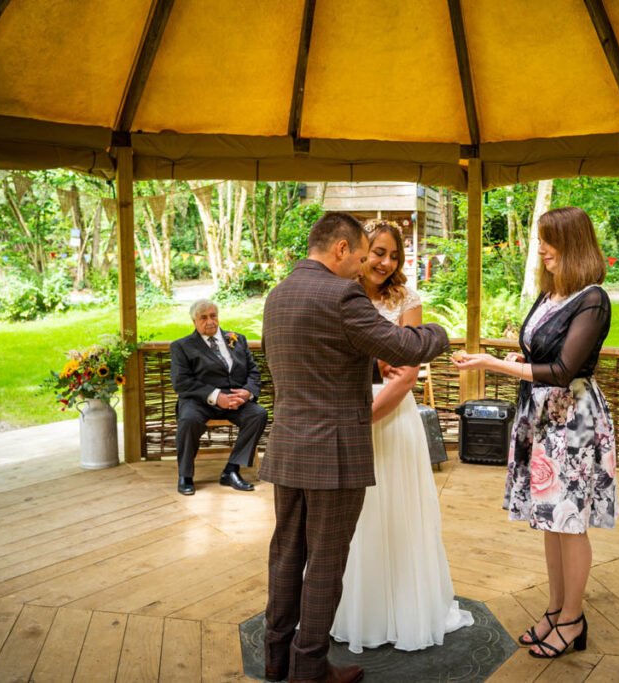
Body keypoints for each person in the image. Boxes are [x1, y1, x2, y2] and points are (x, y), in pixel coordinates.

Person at [260, 212, 448, 683]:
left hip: (288, 445)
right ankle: (310, 669)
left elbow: (312, 359)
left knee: (286, 553)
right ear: (341, 249)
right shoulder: (341, 294)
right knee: (326, 561)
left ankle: (276, 657)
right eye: (362, 256)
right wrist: (439, 334)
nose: (364, 266)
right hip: (335, 450)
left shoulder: (277, 295)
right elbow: (404, 346)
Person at [452, 206, 618, 659]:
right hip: (541, 419)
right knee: (550, 521)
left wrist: (489, 362)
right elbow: (535, 357)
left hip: (573, 421)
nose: (541, 248)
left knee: (569, 521)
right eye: (540, 239)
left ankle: (574, 619)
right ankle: (554, 610)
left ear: (573, 244)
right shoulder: (550, 297)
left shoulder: (592, 298)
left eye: (549, 240)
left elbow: (563, 370)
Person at [331, 220, 473, 654]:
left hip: (391, 420)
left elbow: (408, 371)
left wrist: (365, 415)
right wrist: (375, 365)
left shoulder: (407, 301)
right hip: (348, 412)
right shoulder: (340, 295)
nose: (386, 263)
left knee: (398, 512)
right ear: (359, 251)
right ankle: (358, 610)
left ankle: (405, 610)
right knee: (355, 519)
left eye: (394, 255)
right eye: (378, 252)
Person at [170, 299, 268, 495]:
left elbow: (254, 372)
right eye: (203, 317)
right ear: (194, 321)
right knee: (188, 420)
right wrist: (216, 396)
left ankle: (231, 470)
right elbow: (181, 382)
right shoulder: (182, 346)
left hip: (235, 399)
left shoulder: (237, 339)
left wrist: (247, 392)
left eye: (213, 316)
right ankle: (185, 475)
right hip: (199, 400)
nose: (210, 321)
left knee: (258, 415)